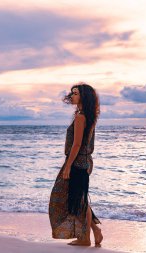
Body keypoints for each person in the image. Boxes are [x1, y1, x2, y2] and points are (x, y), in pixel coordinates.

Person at [49, 82, 103, 247]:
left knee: (75, 199)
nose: (72, 96)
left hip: (77, 163)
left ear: (83, 97)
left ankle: (85, 238)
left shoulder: (81, 117)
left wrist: (67, 166)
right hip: (84, 162)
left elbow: (77, 144)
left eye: (75, 93)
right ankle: (94, 231)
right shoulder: (88, 115)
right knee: (79, 198)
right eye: (71, 93)